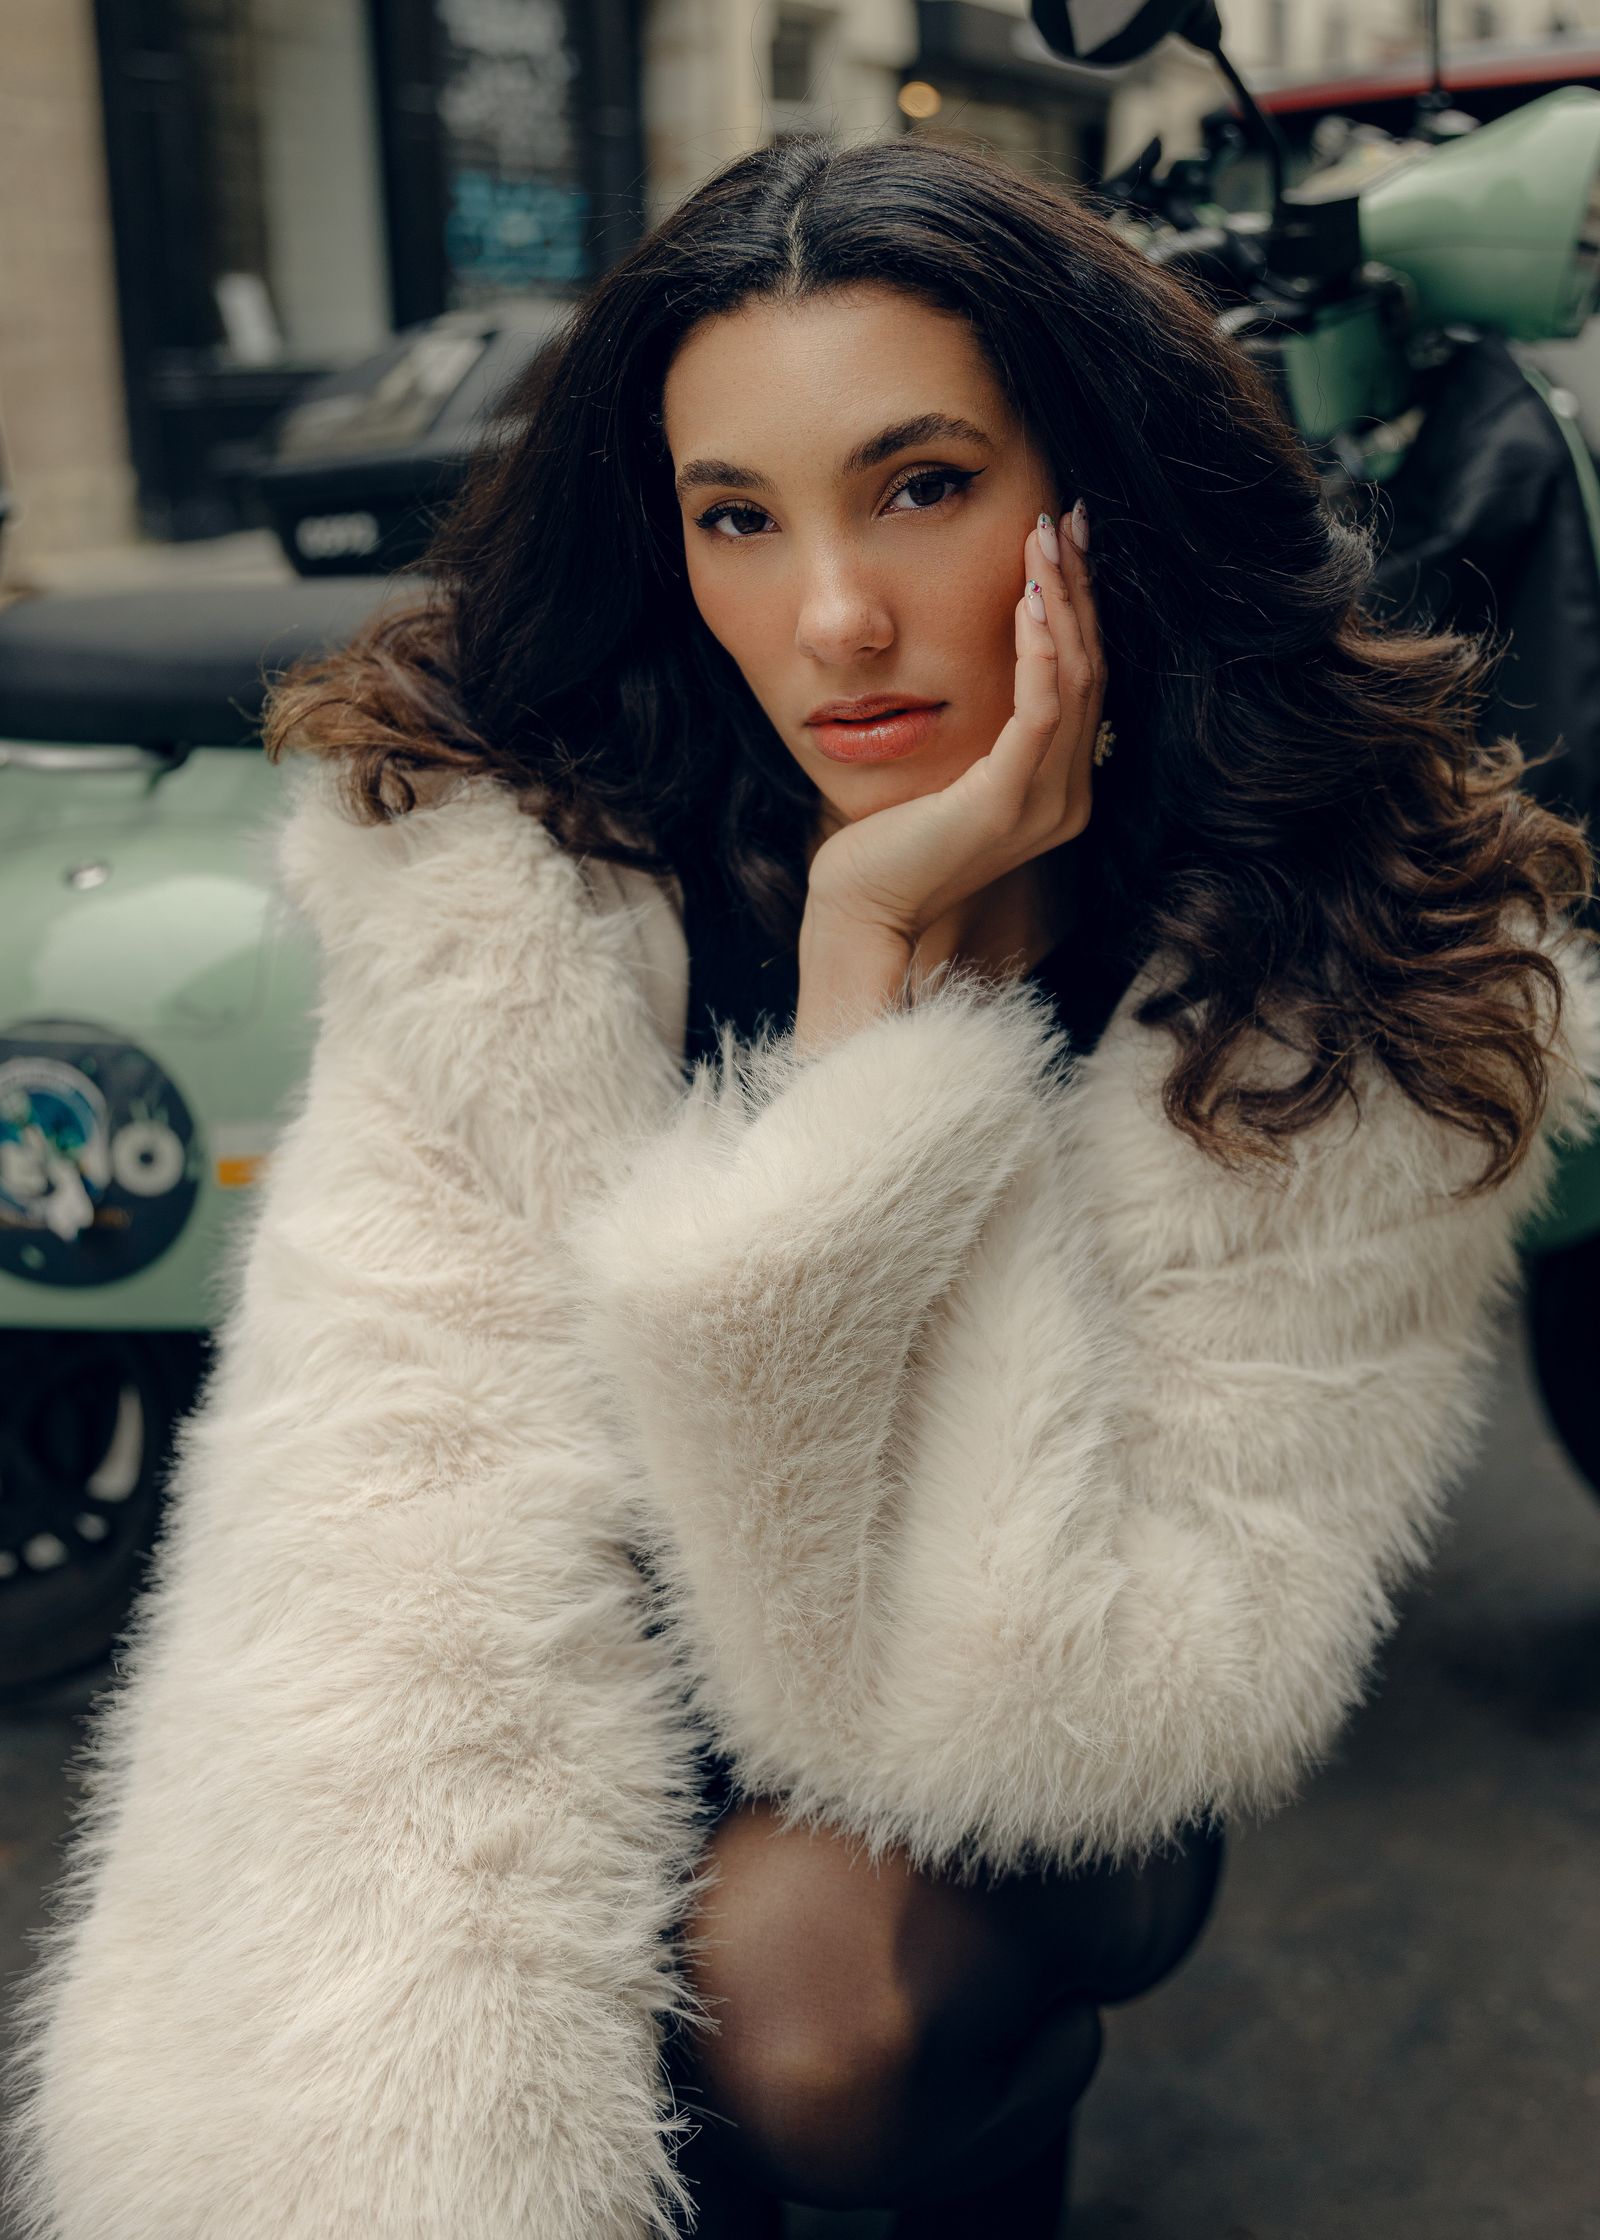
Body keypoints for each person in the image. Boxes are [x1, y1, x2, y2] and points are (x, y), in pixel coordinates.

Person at [5, 132, 1597, 2240]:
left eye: (920, 485)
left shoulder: (1350, 977)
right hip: (610, 1627)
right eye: (733, 519)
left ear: (1090, 496)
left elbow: (1023, 1701)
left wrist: (883, 1004)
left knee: (811, 1996)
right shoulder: (525, 874)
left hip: (1042, 1716)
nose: (830, 617)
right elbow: (374, 1545)